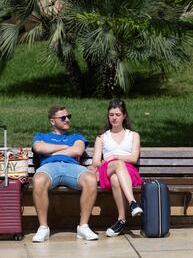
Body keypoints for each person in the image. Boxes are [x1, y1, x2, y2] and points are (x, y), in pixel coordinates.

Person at [31, 105, 98, 242]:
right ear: (52, 121)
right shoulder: (41, 136)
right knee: (38, 180)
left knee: (91, 179)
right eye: (63, 118)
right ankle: (43, 228)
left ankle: (83, 227)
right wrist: (66, 147)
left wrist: (51, 152)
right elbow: (38, 147)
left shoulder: (76, 136)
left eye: (68, 117)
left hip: (71, 167)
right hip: (49, 167)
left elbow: (78, 151)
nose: (67, 120)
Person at [91, 99, 143, 237]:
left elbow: (133, 158)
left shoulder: (133, 135)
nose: (114, 117)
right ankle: (132, 203)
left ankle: (121, 220)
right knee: (116, 167)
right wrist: (111, 161)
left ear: (124, 116)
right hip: (106, 170)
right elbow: (96, 161)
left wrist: (114, 156)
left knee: (115, 179)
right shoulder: (102, 137)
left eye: (118, 114)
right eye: (111, 114)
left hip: (127, 171)